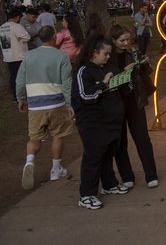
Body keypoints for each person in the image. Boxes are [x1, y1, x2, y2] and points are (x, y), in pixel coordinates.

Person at [71, 33, 128, 210]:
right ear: (94, 52)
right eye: (106, 54)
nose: (108, 57)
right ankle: (87, 194)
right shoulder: (84, 71)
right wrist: (103, 84)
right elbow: (86, 96)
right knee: (93, 158)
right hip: (93, 123)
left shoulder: (106, 68)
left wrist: (124, 76)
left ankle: (109, 184)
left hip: (111, 122)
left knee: (107, 154)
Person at [16, 25, 74, 189]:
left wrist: (21, 99)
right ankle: (55, 169)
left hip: (35, 105)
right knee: (58, 135)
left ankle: (29, 161)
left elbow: (20, 81)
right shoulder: (61, 56)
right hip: (56, 104)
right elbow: (67, 84)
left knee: (34, 137)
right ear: (54, 36)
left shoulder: (28, 56)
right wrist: (70, 105)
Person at [108, 25, 158, 189]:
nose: (125, 43)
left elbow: (145, 73)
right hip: (117, 102)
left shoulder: (134, 53)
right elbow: (106, 79)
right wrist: (121, 73)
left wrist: (143, 64)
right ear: (113, 40)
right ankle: (126, 175)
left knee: (142, 138)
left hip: (134, 100)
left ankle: (151, 174)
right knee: (120, 141)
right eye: (122, 41)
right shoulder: (108, 56)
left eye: (128, 40)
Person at [1, 8, 32, 103]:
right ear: (18, 17)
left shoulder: (2, 27)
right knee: (22, 77)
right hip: (19, 55)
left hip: (8, 55)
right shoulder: (16, 26)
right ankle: (22, 96)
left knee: (13, 76)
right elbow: (27, 37)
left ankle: (15, 96)